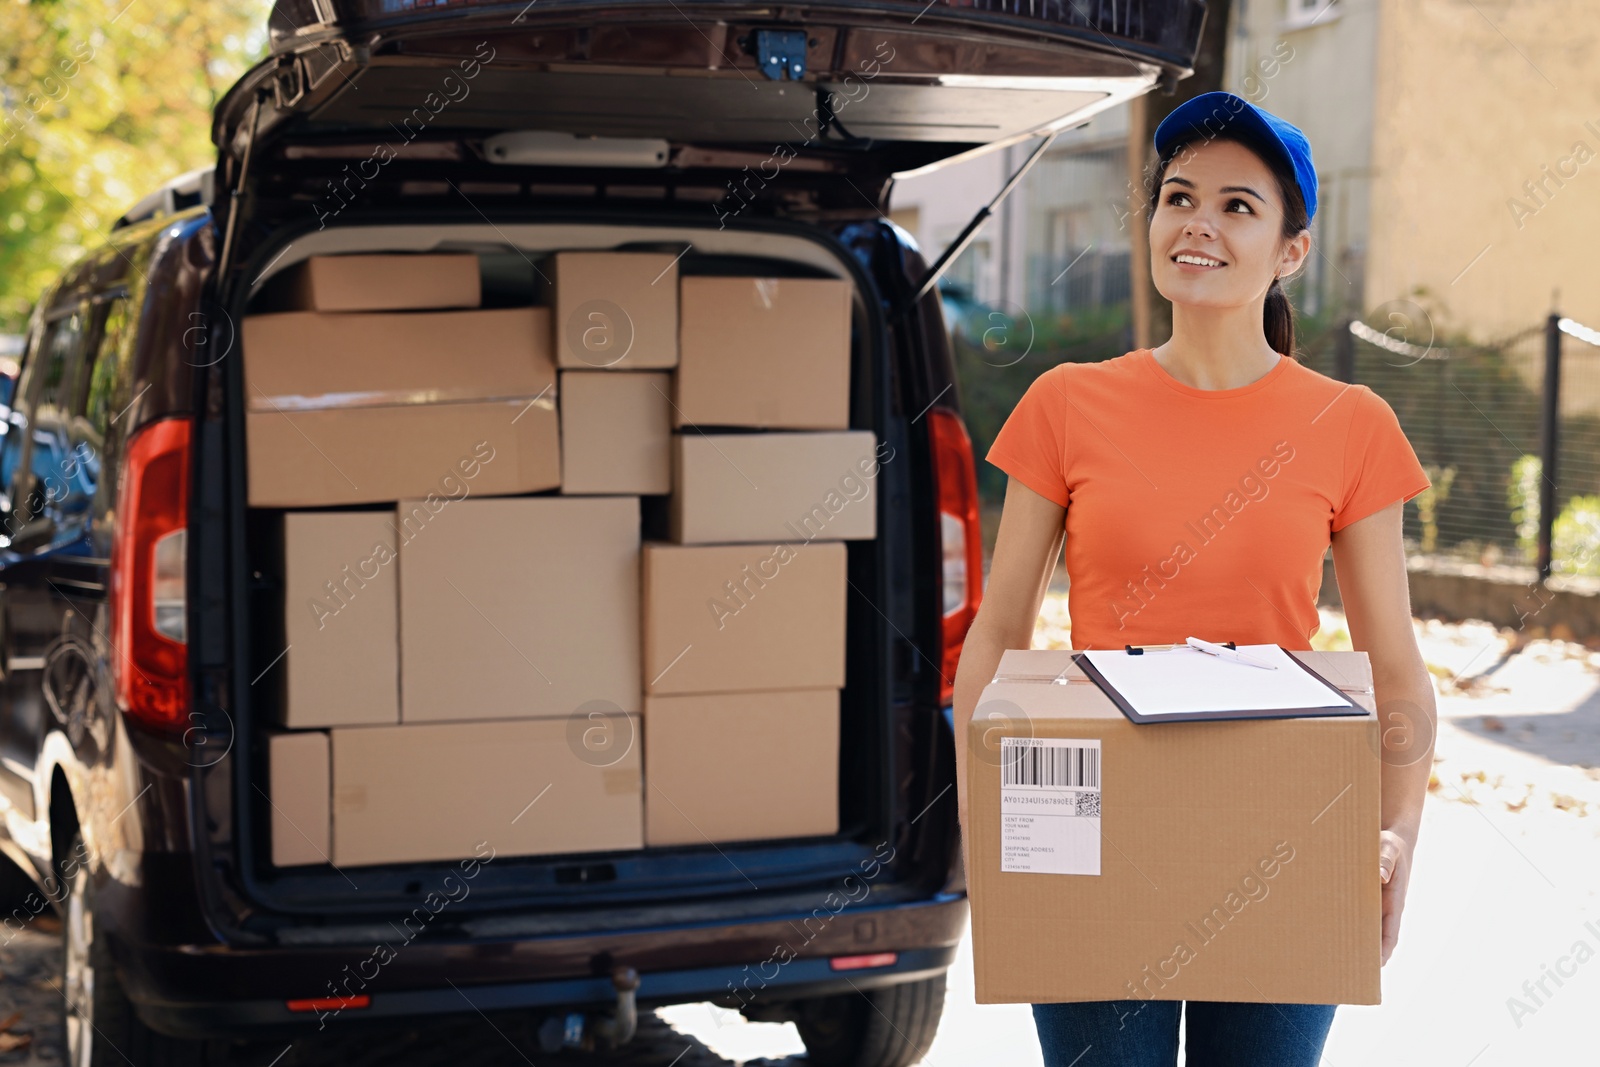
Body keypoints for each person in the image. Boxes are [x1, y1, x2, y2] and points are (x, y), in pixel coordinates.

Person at [951, 91, 1439, 1066]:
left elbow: (1394, 665)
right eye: (1178, 197)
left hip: (1284, 830)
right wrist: (986, 820)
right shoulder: (1067, 406)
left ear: (1288, 251)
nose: (1197, 224)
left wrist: (1392, 833)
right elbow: (999, 630)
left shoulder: (1348, 425)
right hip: (1099, 829)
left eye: (1236, 206)